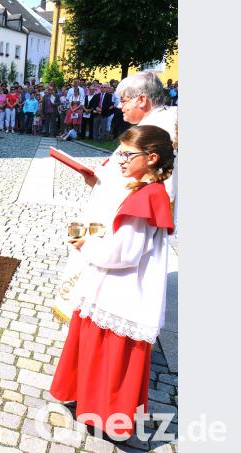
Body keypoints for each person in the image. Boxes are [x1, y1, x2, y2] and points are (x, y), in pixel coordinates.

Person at [51, 124, 175, 440]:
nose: (119, 160)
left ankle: (106, 415)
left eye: (127, 155)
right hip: (114, 284)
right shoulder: (144, 188)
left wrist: (83, 243)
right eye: (119, 153)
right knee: (95, 349)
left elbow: (125, 253)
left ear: (152, 158)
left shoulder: (146, 197)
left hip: (122, 288)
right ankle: (89, 403)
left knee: (110, 356)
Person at [53, 71, 178, 322]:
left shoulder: (158, 131)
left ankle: (96, 323)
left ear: (141, 100)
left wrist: (102, 180)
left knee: (111, 274)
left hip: (127, 216)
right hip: (121, 208)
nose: (119, 106)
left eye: (124, 100)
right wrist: (98, 176)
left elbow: (153, 181)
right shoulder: (154, 124)